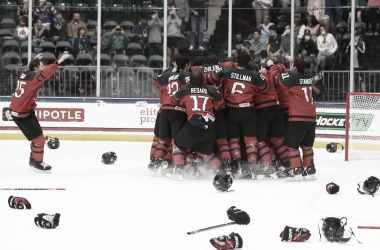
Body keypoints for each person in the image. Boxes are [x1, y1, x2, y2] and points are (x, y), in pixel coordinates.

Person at [208, 51, 270, 178]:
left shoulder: (227, 71)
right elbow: (265, 88)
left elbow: (211, 78)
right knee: (250, 139)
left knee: (233, 139)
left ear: (237, 61)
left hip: (231, 110)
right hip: (248, 110)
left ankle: (237, 164)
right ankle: (252, 166)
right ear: (248, 62)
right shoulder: (254, 74)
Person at [9, 53, 70, 173]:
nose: (43, 66)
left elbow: (30, 67)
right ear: (36, 68)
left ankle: (33, 160)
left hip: (22, 110)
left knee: (36, 138)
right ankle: (38, 163)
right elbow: (46, 73)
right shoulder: (35, 76)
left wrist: (35, 59)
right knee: (39, 139)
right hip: (22, 113)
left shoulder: (25, 73)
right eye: (41, 65)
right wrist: (59, 61)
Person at [170, 69, 226, 176]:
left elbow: (173, 100)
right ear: (203, 80)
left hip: (193, 125)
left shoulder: (184, 89)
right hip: (209, 127)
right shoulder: (211, 90)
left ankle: (179, 169)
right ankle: (221, 172)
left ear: (190, 80)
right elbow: (220, 105)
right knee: (204, 152)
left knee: (177, 143)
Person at [274, 56, 316, 181]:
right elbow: (300, 71)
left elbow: (279, 81)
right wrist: (294, 61)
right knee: (307, 145)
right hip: (311, 116)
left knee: (291, 146)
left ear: (295, 68)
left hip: (298, 116)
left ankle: (297, 171)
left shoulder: (292, 77)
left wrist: (274, 68)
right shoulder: (308, 76)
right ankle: (311, 170)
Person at [153, 55, 191, 165]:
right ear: (186, 65)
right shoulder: (186, 74)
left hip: (164, 110)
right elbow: (191, 87)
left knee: (164, 139)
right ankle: (177, 165)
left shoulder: (168, 75)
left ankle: (156, 163)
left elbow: (156, 82)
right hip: (177, 110)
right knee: (176, 140)